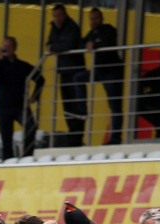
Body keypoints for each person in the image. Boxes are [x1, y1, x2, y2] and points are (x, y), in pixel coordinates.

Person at [0, 36, 36, 160]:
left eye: (8, 47)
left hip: (20, 105)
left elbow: (40, 78)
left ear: (14, 48)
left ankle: (27, 156)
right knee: (6, 138)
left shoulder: (22, 66)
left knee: (31, 127)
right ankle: (8, 161)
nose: (6, 49)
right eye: (4, 46)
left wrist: (35, 96)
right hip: (3, 107)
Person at [82, 8, 125, 144]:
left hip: (112, 71)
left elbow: (107, 42)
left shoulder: (109, 30)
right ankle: (81, 108)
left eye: (95, 18)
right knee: (78, 78)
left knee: (114, 105)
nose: (93, 21)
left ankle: (115, 138)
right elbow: (81, 42)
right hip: (99, 72)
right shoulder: (91, 33)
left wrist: (94, 44)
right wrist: (87, 44)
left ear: (101, 19)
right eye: (91, 19)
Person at [46, 4, 86, 146]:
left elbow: (67, 45)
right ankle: (72, 135)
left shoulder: (72, 27)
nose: (57, 19)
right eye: (55, 16)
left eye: (59, 15)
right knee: (67, 106)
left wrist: (55, 48)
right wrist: (54, 47)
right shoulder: (54, 27)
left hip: (75, 71)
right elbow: (49, 43)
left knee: (77, 106)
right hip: (63, 71)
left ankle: (77, 137)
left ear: (65, 14)